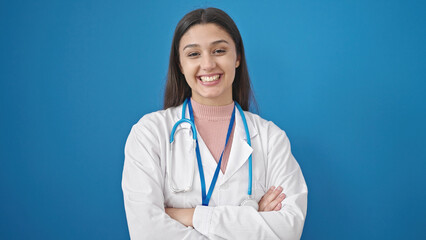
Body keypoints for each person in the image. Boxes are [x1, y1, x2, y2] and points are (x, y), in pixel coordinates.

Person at [122, 7, 308, 240]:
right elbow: (147, 232)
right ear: (180, 65)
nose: (208, 64)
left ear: (237, 57)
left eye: (219, 50)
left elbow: (288, 230)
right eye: (193, 54)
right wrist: (253, 217)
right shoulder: (149, 134)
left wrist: (190, 216)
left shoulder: (271, 138)